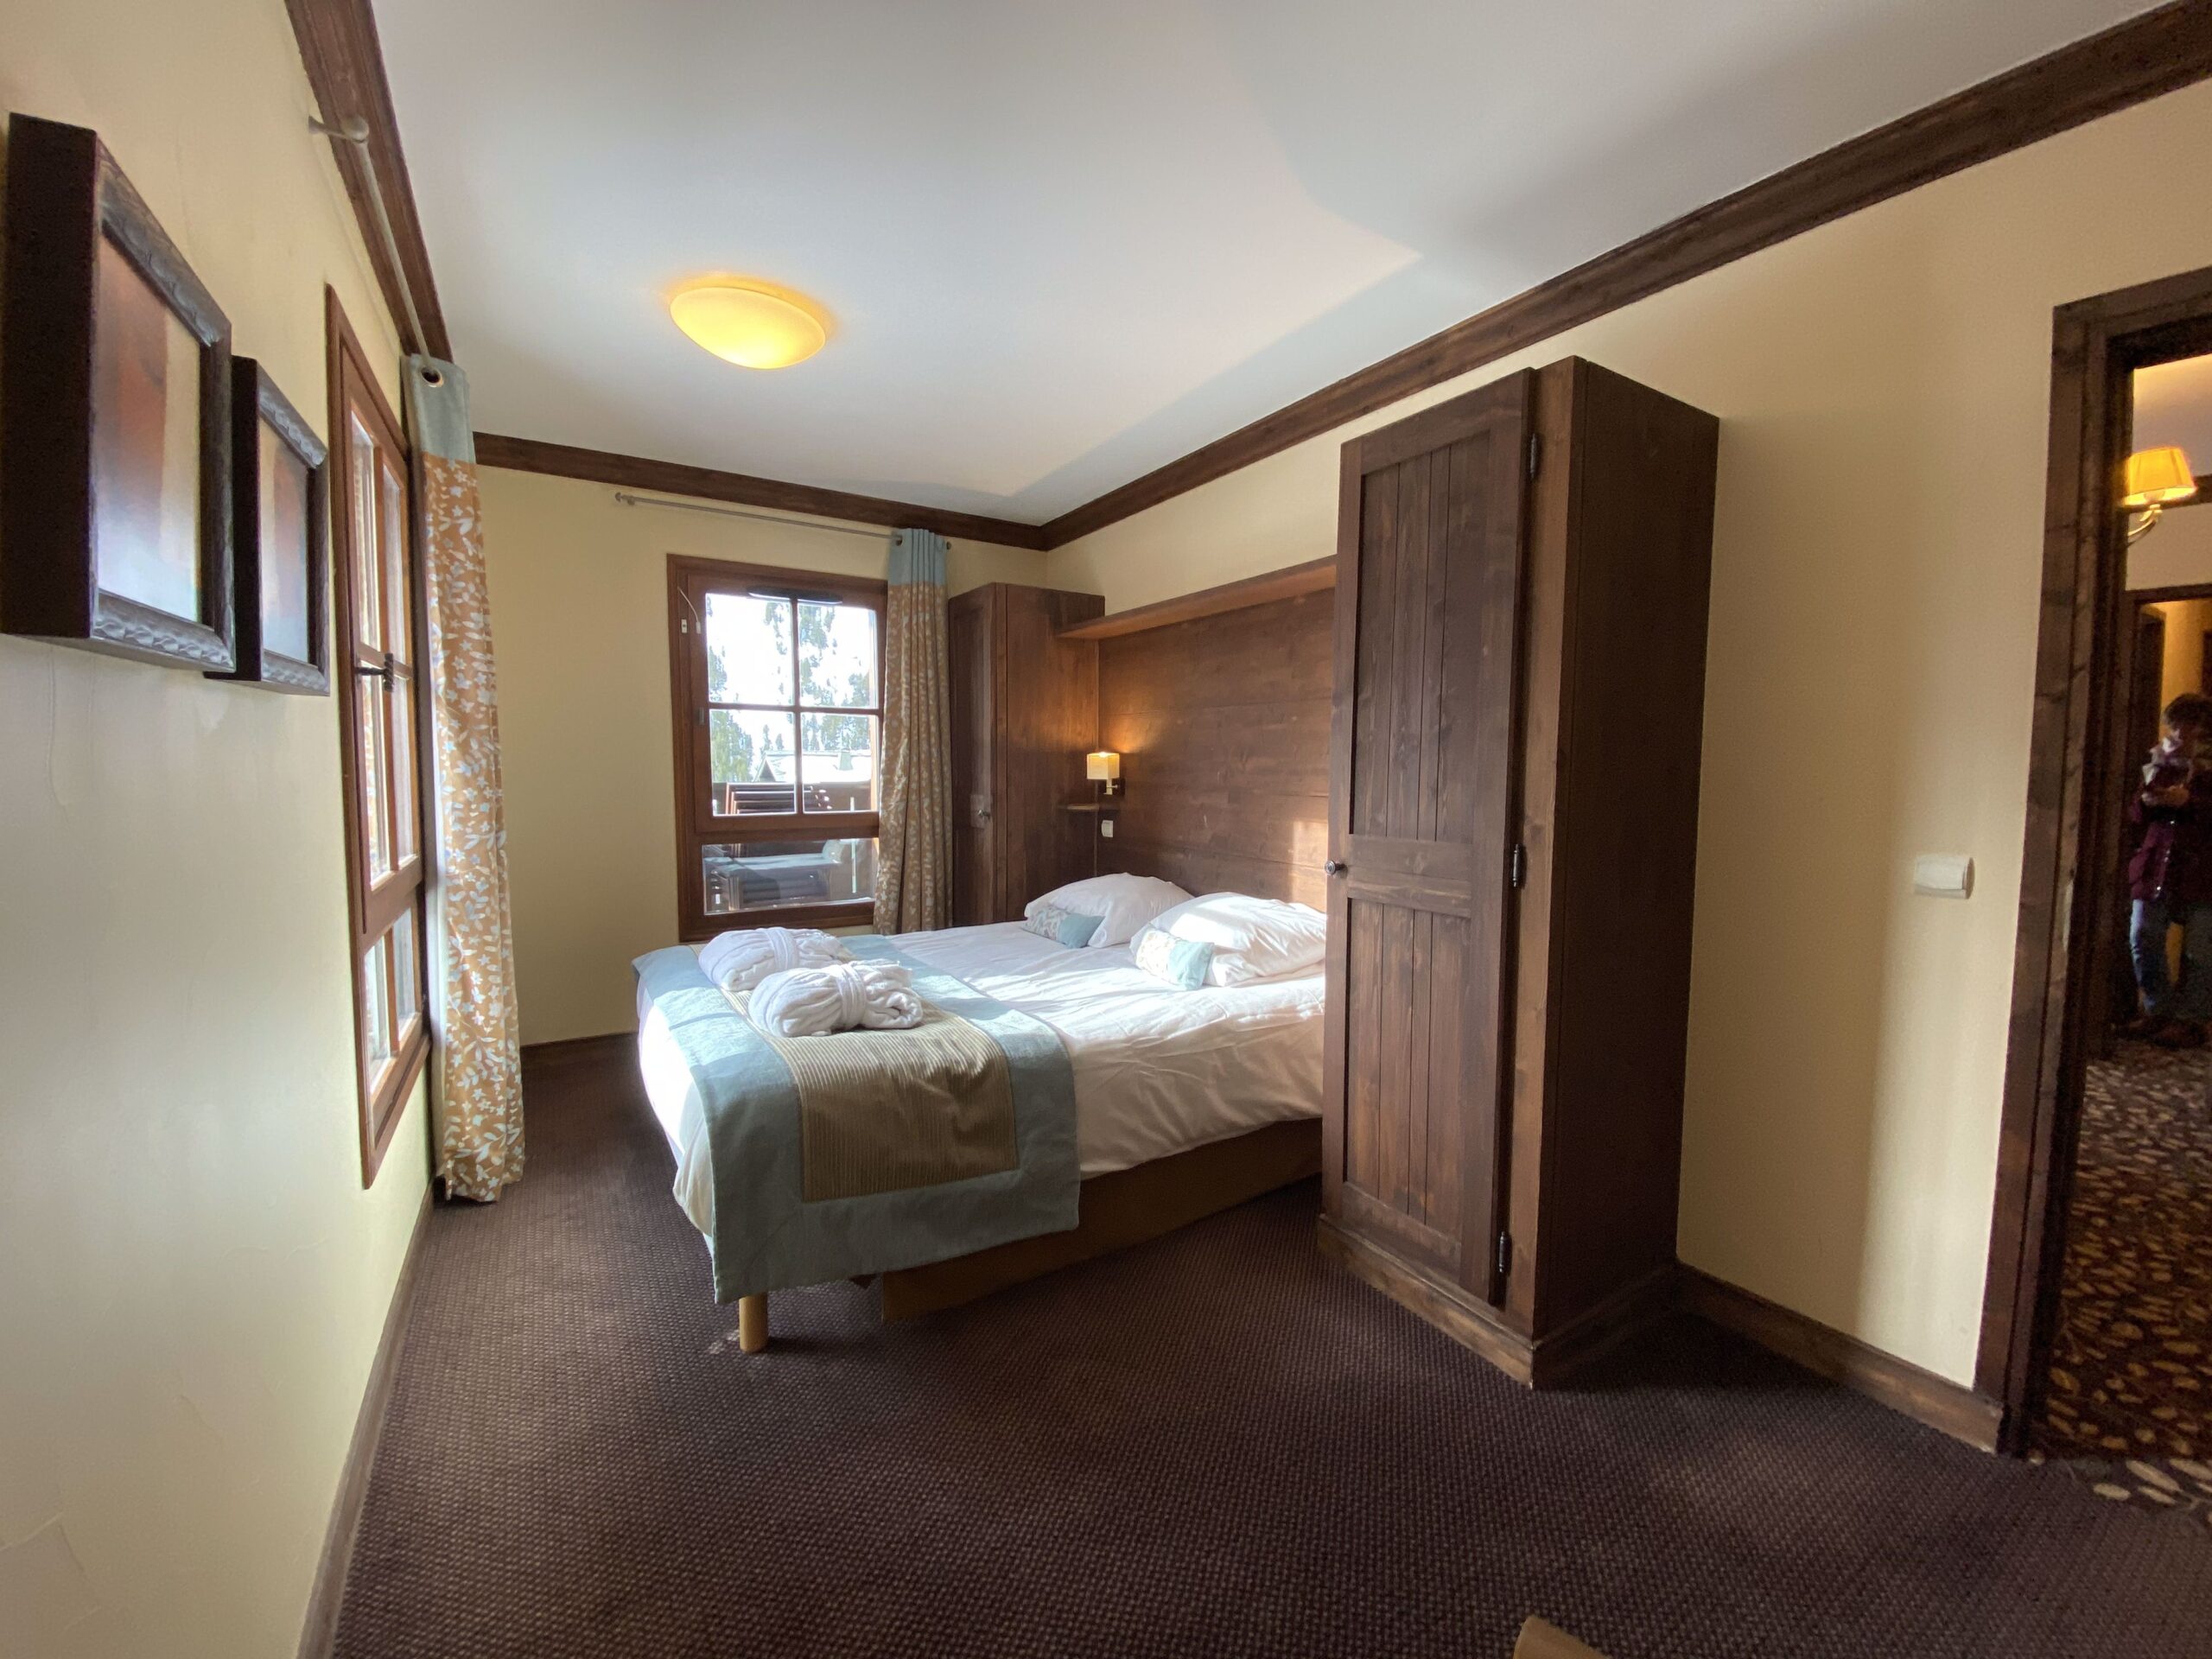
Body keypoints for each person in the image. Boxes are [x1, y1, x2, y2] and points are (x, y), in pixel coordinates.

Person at [2128, 690, 2212, 1047]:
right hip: (2157, 864)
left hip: (2203, 870)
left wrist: (2190, 801)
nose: (2178, 733)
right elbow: (2135, 816)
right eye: (2174, 725)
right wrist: (2147, 799)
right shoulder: (2160, 761)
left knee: (2200, 950)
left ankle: (2192, 1021)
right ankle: (2158, 1009)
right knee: (2142, 935)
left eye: (2187, 726)